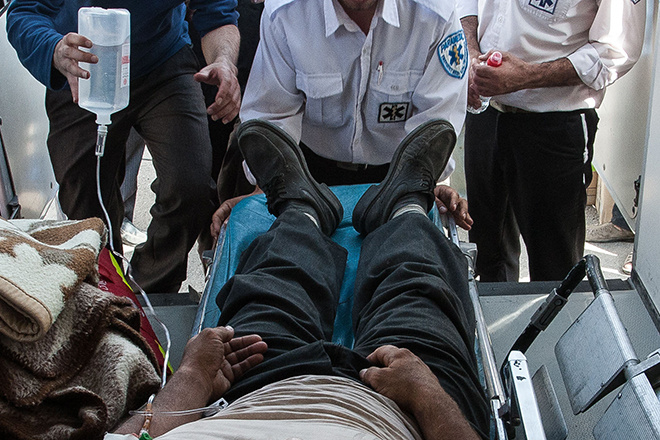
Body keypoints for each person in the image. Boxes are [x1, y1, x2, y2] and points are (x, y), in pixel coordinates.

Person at [109, 119, 489, 439]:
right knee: (416, 291)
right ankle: (406, 205)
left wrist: (193, 376)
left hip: (253, 395)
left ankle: (302, 208)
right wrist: (429, 397)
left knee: (274, 286)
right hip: (401, 414)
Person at [6, 0, 242, 293]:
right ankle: (107, 287)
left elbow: (217, 11)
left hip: (161, 61)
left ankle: (151, 291)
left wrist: (224, 61)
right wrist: (54, 50)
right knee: (85, 202)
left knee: (190, 185)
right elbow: (24, 12)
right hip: (83, 69)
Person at [210, 0, 473, 237]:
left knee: (408, 253)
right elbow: (273, 114)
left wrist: (424, 183)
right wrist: (265, 189)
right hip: (303, 174)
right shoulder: (286, 12)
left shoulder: (436, 14)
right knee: (292, 250)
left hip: (399, 174)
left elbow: (436, 121)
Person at [459, 0, 646, 281]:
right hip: (485, 113)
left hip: (552, 126)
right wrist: (471, 54)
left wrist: (526, 76)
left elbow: (615, 52)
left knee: (555, 268)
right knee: (486, 256)